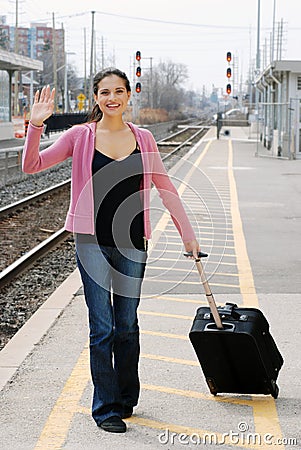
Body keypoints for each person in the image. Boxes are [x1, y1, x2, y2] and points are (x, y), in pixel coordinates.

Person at [22, 68, 200, 433]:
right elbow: (32, 165)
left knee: (128, 325)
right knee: (101, 327)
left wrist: (188, 235)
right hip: (91, 241)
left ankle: (126, 395)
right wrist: (35, 127)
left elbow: (165, 188)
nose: (112, 98)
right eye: (105, 92)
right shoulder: (80, 136)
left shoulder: (144, 138)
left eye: (119, 91)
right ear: (96, 98)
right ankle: (105, 408)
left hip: (133, 243)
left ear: (129, 95)